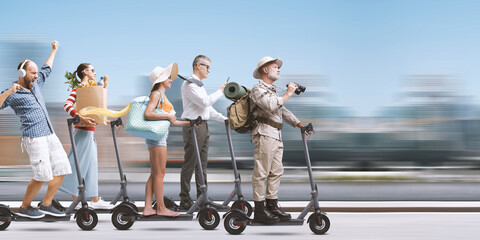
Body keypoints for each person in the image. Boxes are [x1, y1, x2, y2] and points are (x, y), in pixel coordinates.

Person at [0, 41, 72, 218]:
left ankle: (46, 203)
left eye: (36, 73)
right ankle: (25, 207)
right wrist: (9, 92)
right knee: (42, 175)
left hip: (50, 133)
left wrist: (54, 50)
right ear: (22, 73)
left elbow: (47, 68)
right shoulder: (13, 92)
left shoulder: (36, 84)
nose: (35, 76)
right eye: (32, 73)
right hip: (34, 138)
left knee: (63, 168)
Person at [249, 56, 307, 223]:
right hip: (264, 133)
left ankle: (272, 206)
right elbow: (271, 105)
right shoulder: (257, 89)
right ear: (265, 70)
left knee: (276, 172)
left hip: (276, 134)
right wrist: (288, 93)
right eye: (275, 67)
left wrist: (299, 124)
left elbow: (282, 110)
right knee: (261, 173)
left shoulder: (273, 91)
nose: (279, 69)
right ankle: (259, 210)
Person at [58, 63, 113, 209]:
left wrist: (103, 119)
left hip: (89, 133)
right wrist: (79, 116)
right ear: (85, 72)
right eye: (92, 70)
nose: (95, 73)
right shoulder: (79, 89)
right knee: (79, 167)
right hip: (82, 133)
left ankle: (95, 200)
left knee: (91, 166)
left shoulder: (91, 90)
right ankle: (76, 201)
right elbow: (67, 105)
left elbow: (94, 111)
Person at [178, 55, 227, 210]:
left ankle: (202, 198)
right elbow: (205, 102)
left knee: (202, 165)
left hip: (203, 126)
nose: (209, 70)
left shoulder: (199, 85)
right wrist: (220, 91)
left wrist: (224, 119)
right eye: (207, 67)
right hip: (193, 127)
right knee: (191, 163)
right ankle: (185, 199)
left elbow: (207, 109)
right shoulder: (189, 84)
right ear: (198, 65)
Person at [143, 63, 190, 216]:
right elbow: (148, 114)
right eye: (168, 77)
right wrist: (167, 115)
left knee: (155, 173)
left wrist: (190, 123)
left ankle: (148, 208)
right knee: (160, 173)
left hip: (158, 138)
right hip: (157, 139)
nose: (171, 79)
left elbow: (171, 121)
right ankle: (161, 208)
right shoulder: (156, 94)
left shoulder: (162, 95)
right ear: (161, 79)